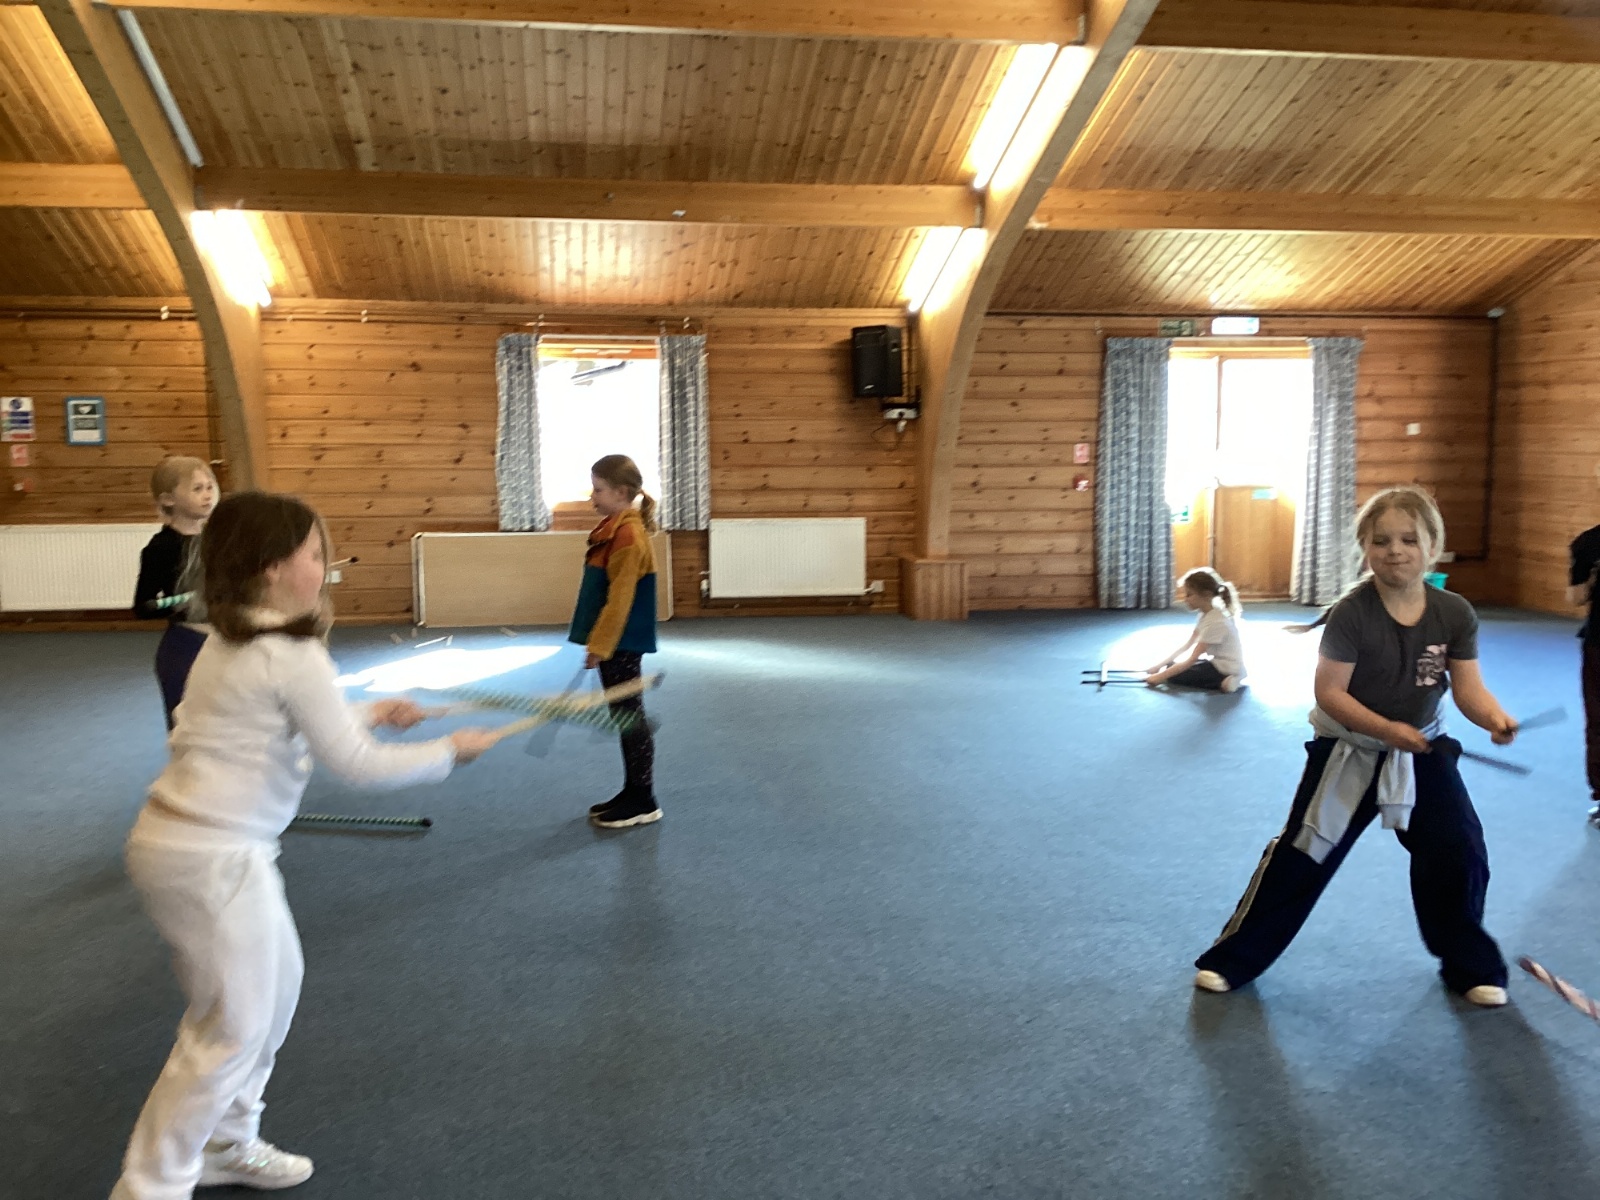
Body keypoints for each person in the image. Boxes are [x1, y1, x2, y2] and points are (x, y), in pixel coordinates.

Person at [111, 492, 497, 1200]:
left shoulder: (230, 636)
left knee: (274, 993)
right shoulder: (291, 653)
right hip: (211, 857)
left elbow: (276, 721)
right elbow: (357, 765)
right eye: (315, 555)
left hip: (197, 849)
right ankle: (151, 1186)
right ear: (271, 567)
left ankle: (226, 1144)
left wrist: (370, 709)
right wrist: (449, 752)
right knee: (230, 1030)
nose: (326, 568)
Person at [1192, 486, 1518, 1008]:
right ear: (1365, 547)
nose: (1395, 550)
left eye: (1409, 539)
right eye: (1381, 540)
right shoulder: (1351, 613)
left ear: (1433, 547)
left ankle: (1470, 966)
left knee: (1458, 851)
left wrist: (1494, 718)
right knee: (1304, 852)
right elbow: (1330, 694)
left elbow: (1469, 691)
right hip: (1348, 750)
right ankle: (1233, 959)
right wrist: (1386, 730)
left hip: (1422, 751)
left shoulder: (1454, 613)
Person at [568, 454, 661, 829]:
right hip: (616, 643)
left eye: (598, 489)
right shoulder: (615, 528)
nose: (593, 496)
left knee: (629, 718)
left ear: (621, 493)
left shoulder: (627, 535)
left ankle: (643, 800)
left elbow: (619, 600)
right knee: (625, 716)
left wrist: (601, 646)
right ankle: (632, 790)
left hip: (622, 643)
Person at [133, 456, 218, 729]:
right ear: (168, 499)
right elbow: (143, 606)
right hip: (185, 646)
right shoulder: (160, 549)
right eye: (197, 489)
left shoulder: (220, 540)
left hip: (224, 642)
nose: (207, 495)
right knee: (187, 727)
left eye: (210, 487)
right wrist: (185, 600)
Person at [1144, 566, 1246, 692]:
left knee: (1175, 676)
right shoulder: (1205, 615)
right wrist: (1158, 666)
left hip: (1226, 668)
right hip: (1216, 663)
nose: (1185, 599)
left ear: (1206, 595)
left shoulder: (1216, 622)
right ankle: (1226, 678)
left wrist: (1160, 677)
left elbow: (1192, 658)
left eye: (1189, 595)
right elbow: (1187, 645)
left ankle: (1230, 680)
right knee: (1170, 666)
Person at [1567, 521, 1600, 821]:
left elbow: (1576, 598)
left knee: (1598, 722)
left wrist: (1591, 579)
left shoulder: (1588, 543)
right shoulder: (1588, 543)